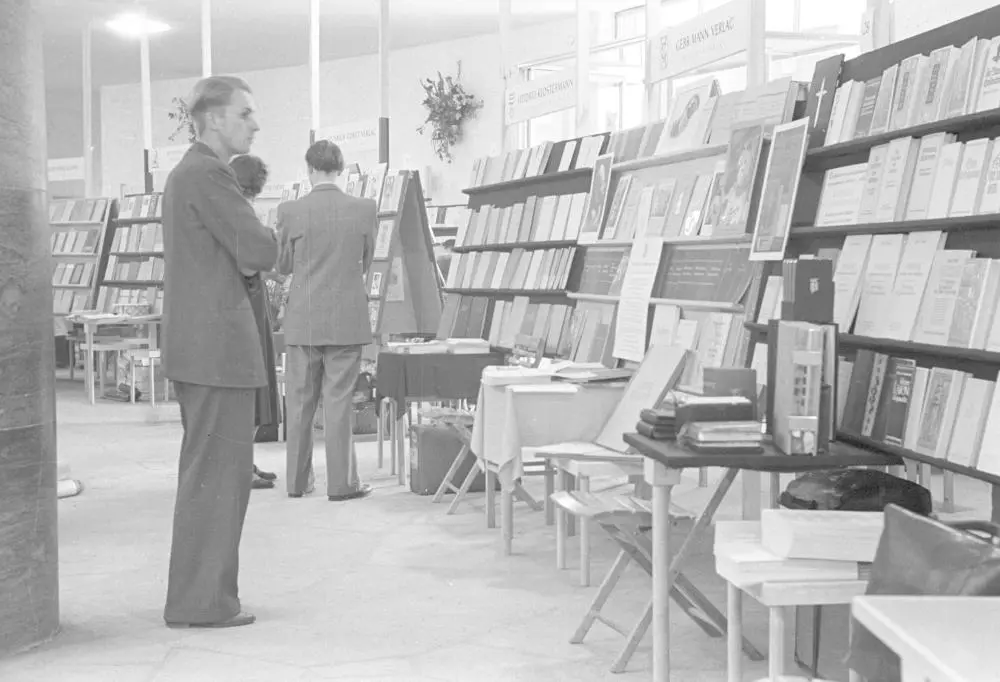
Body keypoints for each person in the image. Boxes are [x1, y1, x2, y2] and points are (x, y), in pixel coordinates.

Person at [161, 75, 277, 629]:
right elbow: (260, 248)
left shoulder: (190, 174)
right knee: (217, 483)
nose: (255, 123)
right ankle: (203, 602)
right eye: (245, 113)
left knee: (212, 478)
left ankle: (200, 597)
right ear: (213, 119)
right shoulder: (209, 174)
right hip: (217, 350)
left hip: (205, 348)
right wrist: (260, 243)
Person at [277, 140, 375, 502]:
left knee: (300, 403)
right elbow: (366, 262)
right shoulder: (364, 208)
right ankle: (341, 484)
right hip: (346, 318)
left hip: (303, 320)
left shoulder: (290, 211)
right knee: (338, 401)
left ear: (309, 169)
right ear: (342, 168)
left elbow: (283, 265)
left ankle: (297, 483)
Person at [230, 153, 280, 490]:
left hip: (250, 299)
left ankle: (245, 462)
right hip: (246, 301)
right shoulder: (241, 213)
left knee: (253, 381)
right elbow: (252, 261)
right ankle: (239, 467)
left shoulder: (238, 210)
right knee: (249, 382)